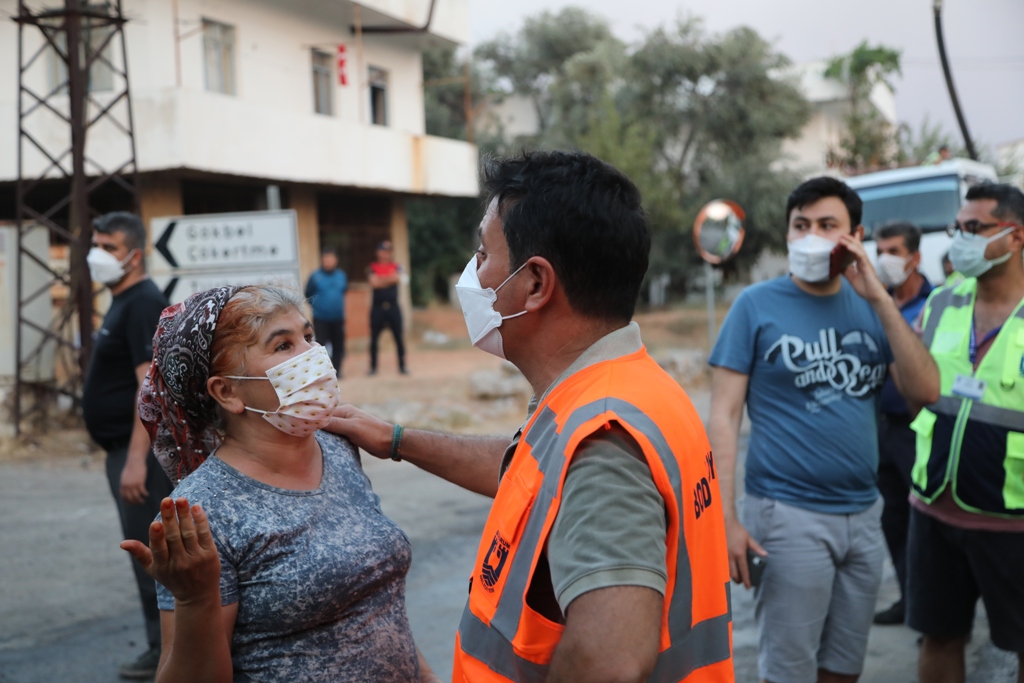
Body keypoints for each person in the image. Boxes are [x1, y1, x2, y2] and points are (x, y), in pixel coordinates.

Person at [329, 151, 734, 682]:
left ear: (536, 283)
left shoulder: (602, 438)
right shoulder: (631, 388)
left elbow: (610, 658)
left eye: (483, 254)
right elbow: (527, 470)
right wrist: (396, 438)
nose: (472, 274)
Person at [120, 284, 440, 682]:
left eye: (308, 336)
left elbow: (379, 610)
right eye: (283, 346)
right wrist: (195, 600)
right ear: (227, 391)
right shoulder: (202, 510)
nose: (313, 356)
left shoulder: (338, 449)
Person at [708, 177, 939, 683]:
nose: (811, 235)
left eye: (826, 225)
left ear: (853, 235)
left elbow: (925, 391)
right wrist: (726, 521)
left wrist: (879, 297)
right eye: (801, 225)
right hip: (788, 516)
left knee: (843, 669)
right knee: (789, 672)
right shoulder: (755, 305)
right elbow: (724, 416)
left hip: (863, 514)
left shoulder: (874, 307)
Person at [907, 183, 1024, 683]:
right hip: (933, 507)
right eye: (959, 227)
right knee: (939, 636)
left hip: (1013, 520)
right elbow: (915, 392)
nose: (961, 239)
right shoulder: (942, 302)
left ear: (1015, 237)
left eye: (975, 228)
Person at [81, 211, 174, 680]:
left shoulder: (141, 302)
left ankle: (167, 652)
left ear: (134, 255)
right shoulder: (121, 300)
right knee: (145, 552)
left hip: (138, 453)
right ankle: (163, 646)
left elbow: (150, 390)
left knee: (150, 554)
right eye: (96, 244)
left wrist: (137, 460)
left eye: (110, 247)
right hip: (122, 450)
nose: (98, 254)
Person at [871, 221, 934, 625]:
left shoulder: (936, 304)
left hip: (921, 429)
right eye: (880, 250)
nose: (884, 260)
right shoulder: (877, 303)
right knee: (893, 516)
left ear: (915, 257)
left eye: (893, 251)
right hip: (884, 428)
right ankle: (909, 600)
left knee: (924, 520)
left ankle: (932, 610)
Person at [305, 248, 348, 378]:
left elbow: (344, 291)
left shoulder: (341, 276)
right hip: (321, 318)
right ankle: (322, 372)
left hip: (338, 318)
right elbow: (308, 294)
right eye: (325, 259)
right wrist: (318, 307)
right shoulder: (315, 276)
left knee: (338, 345)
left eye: (330, 258)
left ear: (336, 260)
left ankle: (337, 371)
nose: (327, 261)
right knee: (320, 346)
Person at [367, 240, 407, 375]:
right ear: (378, 253)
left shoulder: (397, 266)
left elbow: (397, 279)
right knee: (374, 339)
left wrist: (381, 279)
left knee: (399, 338)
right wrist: (389, 279)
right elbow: (374, 283)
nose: (386, 254)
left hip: (393, 307)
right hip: (377, 308)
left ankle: (402, 366)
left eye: (388, 251)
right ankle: (373, 368)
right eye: (383, 251)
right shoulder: (372, 267)